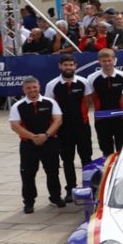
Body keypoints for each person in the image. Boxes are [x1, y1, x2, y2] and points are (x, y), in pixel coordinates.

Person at [9, 76, 64, 213]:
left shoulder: (50, 102)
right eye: (28, 88)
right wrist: (33, 137)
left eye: (34, 87)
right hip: (28, 145)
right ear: (24, 89)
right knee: (27, 174)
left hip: (49, 142)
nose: (32, 90)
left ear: (39, 87)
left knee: (53, 172)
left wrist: (45, 135)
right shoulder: (18, 106)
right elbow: (15, 126)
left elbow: (58, 120)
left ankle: (56, 197)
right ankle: (29, 202)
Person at [45, 55, 92, 198]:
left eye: (71, 65)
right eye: (65, 65)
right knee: (67, 160)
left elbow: (88, 101)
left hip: (82, 127)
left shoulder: (84, 82)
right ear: (60, 66)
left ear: (75, 66)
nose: (68, 67)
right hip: (64, 130)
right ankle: (70, 190)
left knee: (86, 158)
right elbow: (50, 107)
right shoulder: (52, 85)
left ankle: (88, 188)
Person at [86, 48, 123, 156]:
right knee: (106, 150)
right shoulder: (92, 78)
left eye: (109, 60)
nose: (107, 63)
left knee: (122, 149)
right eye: (104, 61)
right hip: (102, 119)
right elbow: (90, 98)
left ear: (114, 60)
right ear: (99, 61)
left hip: (121, 118)